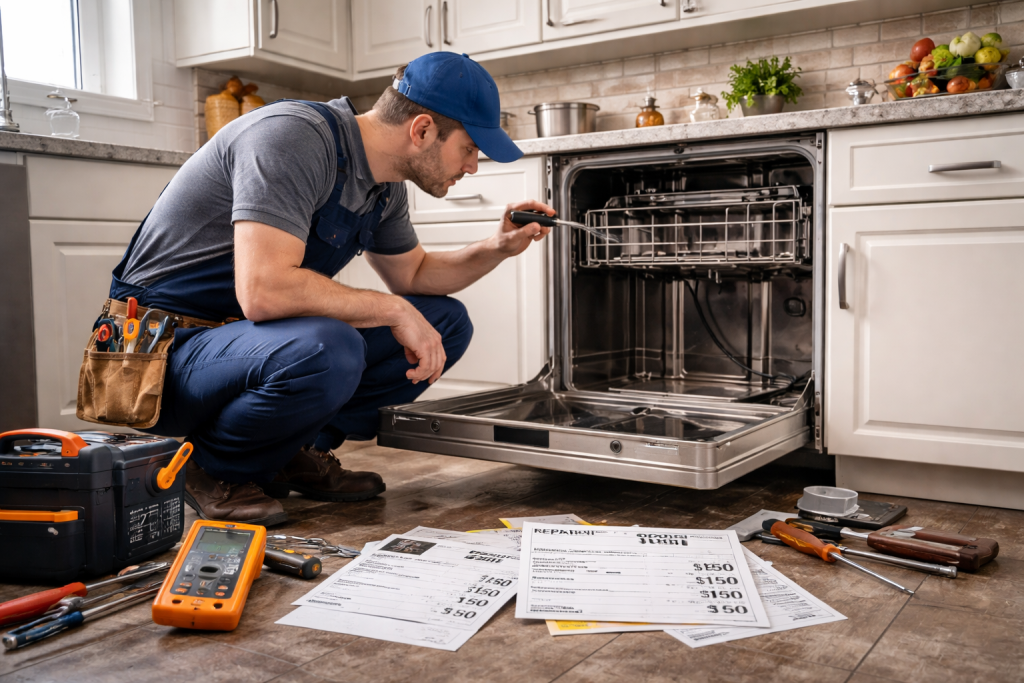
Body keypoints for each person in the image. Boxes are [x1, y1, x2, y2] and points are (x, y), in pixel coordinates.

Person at [104, 52, 554, 526]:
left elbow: (415, 276)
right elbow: (264, 291)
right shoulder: (291, 137)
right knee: (330, 345)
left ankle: (293, 451)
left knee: (445, 322)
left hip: (244, 342)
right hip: (159, 355)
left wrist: (499, 246)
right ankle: (213, 467)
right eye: (468, 148)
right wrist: (394, 312)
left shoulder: (384, 186)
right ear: (421, 130)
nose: (473, 166)